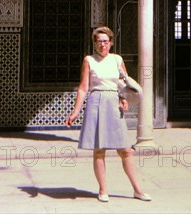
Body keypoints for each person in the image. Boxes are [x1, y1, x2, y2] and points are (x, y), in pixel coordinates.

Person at [65, 26, 151, 203]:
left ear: (111, 43)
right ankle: (103, 189)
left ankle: (138, 189)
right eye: (98, 42)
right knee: (99, 150)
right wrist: (75, 112)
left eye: (105, 41)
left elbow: (124, 83)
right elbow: (83, 88)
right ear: (94, 44)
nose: (102, 45)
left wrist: (124, 98)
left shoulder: (117, 59)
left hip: (114, 103)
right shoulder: (89, 60)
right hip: (96, 102)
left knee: (126, 150)